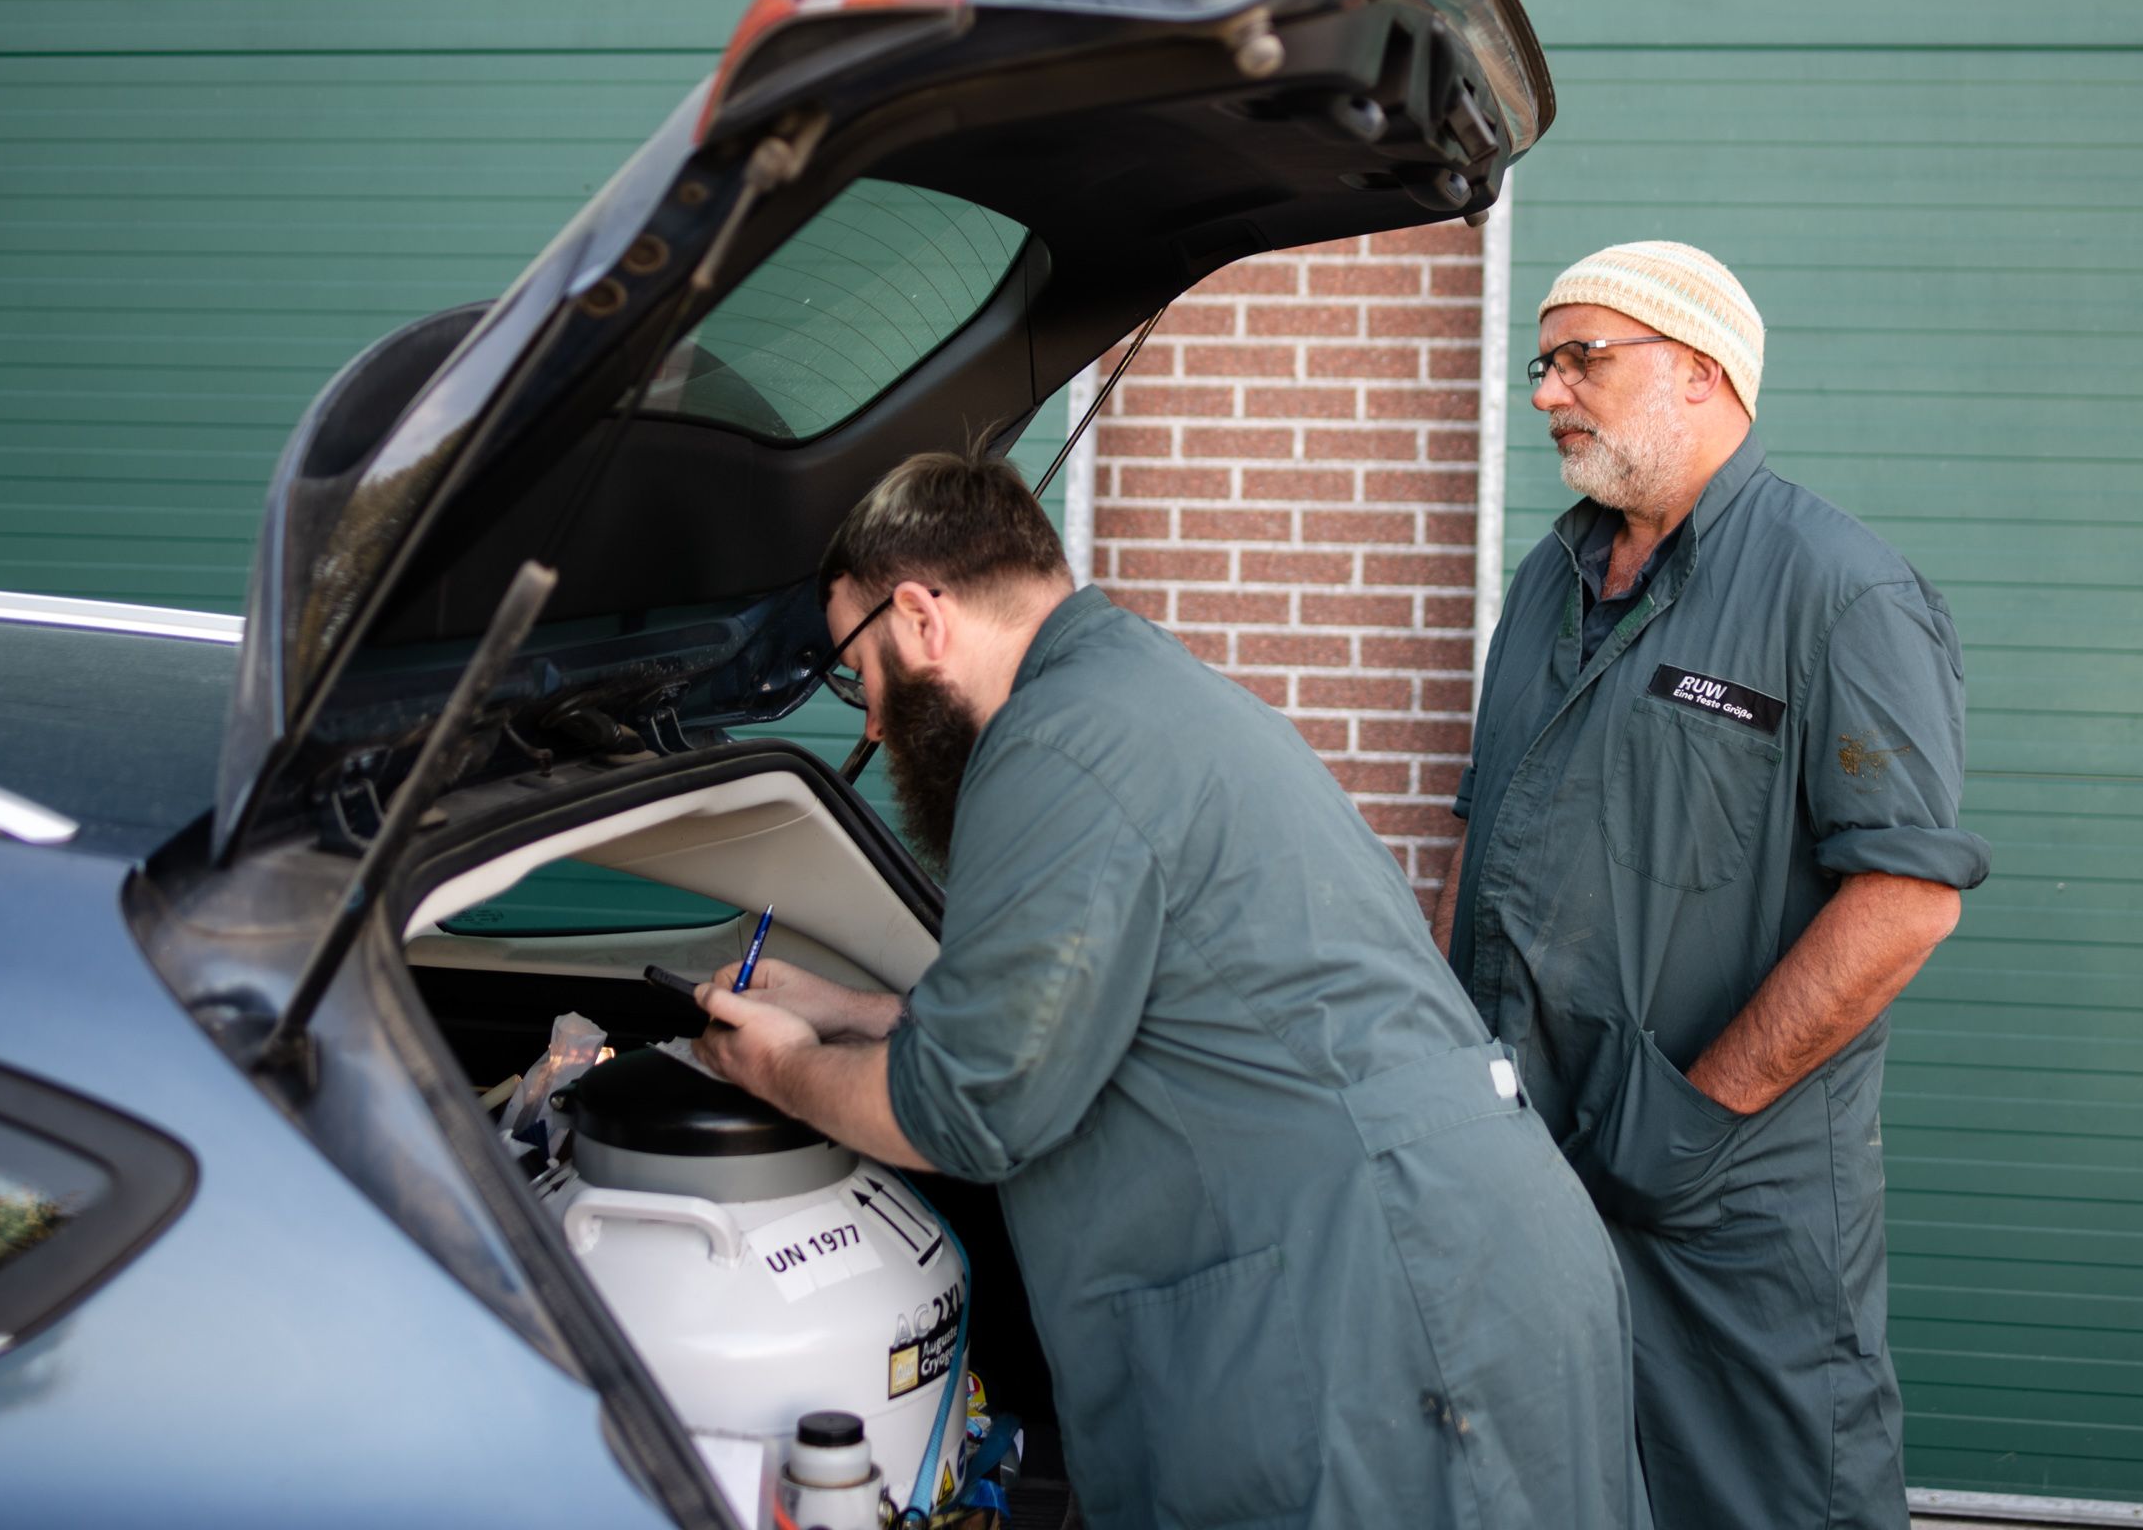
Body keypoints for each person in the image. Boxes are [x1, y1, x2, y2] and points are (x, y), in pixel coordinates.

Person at [694, 451, 1647, 1530]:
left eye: (850, 668)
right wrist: (848, 1010)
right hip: (1463, 1272)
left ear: (919, 617)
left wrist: (767, 1058)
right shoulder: (1139, 695)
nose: (866, 719)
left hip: (1382, 1317)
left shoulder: (1052, 742)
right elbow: (1092, 1014)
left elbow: (973, 1104)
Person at [1438, 240, 1989, 1530]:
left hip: (1735, 1199)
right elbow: (1489, 828)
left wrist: (1694, 1116)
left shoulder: (1840, 591)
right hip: (1542, 1165)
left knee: (1773, 1497)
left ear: (1698, 371)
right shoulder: (1547, 582)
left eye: (1583, 358)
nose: (1545, 392)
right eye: (1541, 361)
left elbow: (1905, 897)